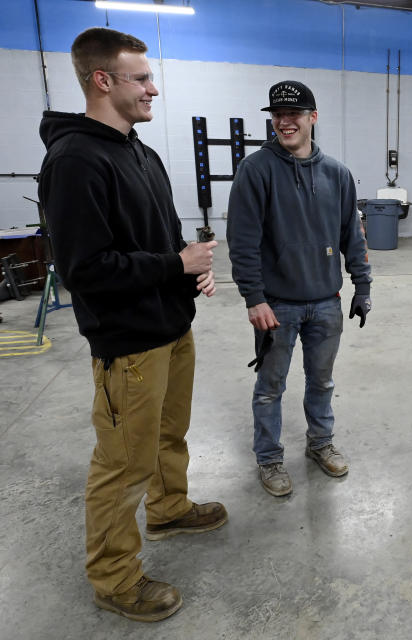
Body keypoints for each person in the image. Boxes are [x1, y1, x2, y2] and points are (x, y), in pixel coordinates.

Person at [38, 27, 226, 622]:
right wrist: (174, 263)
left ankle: (168, 507)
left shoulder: (140, 152)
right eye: (141, 78)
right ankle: (115, 578)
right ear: (102, 80)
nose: (154, 89)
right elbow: (83, 270)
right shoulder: (74, 161)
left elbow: (161, 239)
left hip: (171, 328)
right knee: (122, 466)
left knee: (169, 437)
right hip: (128, 343)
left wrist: (187, 273)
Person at [227, 80, 372, 496]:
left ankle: (320, 445)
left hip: (326, 302)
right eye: (278, 115)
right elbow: (243, 242)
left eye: (294, 114)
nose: (285, 122)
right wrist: (254, 298)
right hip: (277, 307)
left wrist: (362, 286)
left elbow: (353, 237)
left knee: (322, 382)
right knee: (271, 388)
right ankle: (269, 459)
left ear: (313, 117)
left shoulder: (338, 175)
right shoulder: (256, 170)